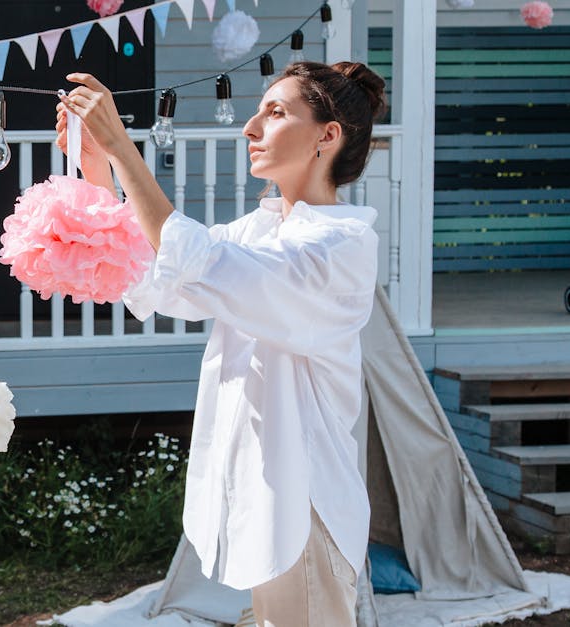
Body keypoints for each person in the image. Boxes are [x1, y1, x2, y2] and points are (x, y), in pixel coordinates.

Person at [57, 62, 387, 626]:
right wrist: (101, 170)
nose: (250, 127)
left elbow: (201, 261)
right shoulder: (261, 231)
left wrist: (124, 148)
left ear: (328, 136)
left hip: (306, 503)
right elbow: (160, 275)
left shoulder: (340, 244)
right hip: (265, 494)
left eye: (276, 112)